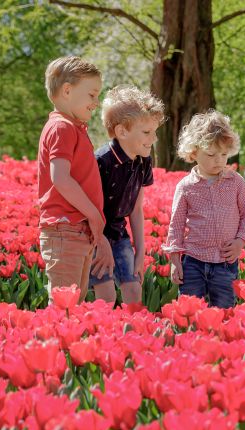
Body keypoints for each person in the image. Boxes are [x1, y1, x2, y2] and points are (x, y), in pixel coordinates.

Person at [36, 55, 112, 304]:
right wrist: (92, 214)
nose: (96, 102)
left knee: (74, 306)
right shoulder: (62, 128)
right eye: (91, 95)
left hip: (75, 229)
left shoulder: (73, 128)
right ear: (67, 91)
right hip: (65, 229)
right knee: (63, 307)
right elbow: (61, 178)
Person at [162, 111, 245, 308]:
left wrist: (240, 241)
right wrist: (174, 260)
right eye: (211, 154)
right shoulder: (186, 187)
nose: (219, 161)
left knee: (223, 312)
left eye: (224, 154)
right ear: (194, 152)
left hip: (225, 261)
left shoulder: (236, 182)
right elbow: (176, 225)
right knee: (189, 312)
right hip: (193, 261)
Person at [89, 85, 165, 306]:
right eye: (146, 132)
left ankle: (133, 339)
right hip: (95, 236)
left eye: (155, 131)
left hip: (120, 235)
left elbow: (136, 209)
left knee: (133, 293)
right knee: (107, 297)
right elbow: (89, 208)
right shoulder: (100, 162)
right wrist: (99, 241)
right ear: (122, 131)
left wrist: (140, 252)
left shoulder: (143, 161)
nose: (153, 138)